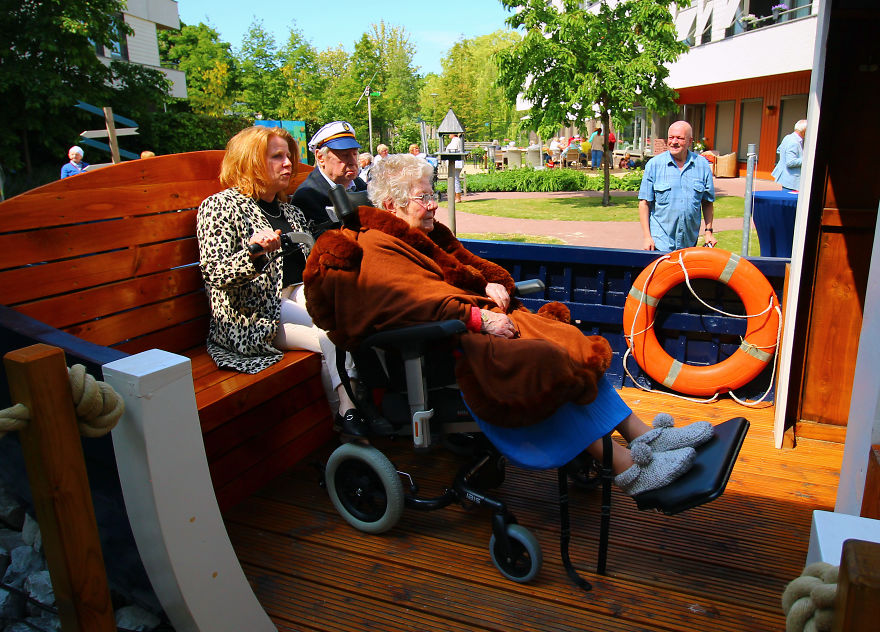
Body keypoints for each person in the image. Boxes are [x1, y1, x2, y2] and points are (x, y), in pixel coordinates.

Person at [304, 153, 714, 495]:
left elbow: (465, 268)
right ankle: (627, 469)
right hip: (447, 348)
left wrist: (487, 282)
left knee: (567, 336)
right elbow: (407, 299)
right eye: (423, 197)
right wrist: (478, 315)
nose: (432, 204)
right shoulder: (378, 244)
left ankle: (640, 435)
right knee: (542, 360)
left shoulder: (426, 235)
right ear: (392, 206)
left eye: (432, 194)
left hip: (473, 327)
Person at [196, 125, 370, 439]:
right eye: (277, 157)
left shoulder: (290, 211)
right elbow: (215, 273)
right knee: (330, 337)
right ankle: (349, 415)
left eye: (288, 156)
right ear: (250, 162)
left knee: (346, 319)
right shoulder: (220, 207)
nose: (288, 163)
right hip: (252, 314)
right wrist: (255, 253)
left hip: (296, 297)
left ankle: (349, 420)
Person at [638, 121, 717, 252]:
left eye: (679, 138)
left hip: (689, 242)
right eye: (671, 137)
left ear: (690, 141)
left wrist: (708, 232)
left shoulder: (702, 165)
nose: (674, 142)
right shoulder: (654, 165)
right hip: (660, 242)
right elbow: (644, 203)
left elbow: (707, 202)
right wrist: (647, 237)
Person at [291, 120, 367, 231]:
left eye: (354, 154)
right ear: (321, 157)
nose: (352, 161)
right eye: (344, 155)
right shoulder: (309, 196)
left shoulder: (359, 184)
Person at [771, 119, 807, 191]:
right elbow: (790, 162)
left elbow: (779, 150)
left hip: (786, 178)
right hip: (791, 181)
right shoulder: (794, 142)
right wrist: (807, 159)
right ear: (804, 131)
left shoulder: (787, 137)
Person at [445, 133, 463, 203]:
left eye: (450, 133)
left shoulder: (456, 140)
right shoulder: (456, 140)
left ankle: (458, 197)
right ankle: (456, 197)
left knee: (455, 180)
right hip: (456, 163)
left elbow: (452, 150)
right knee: (455, 179)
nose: (448, 135)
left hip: (455, 163)